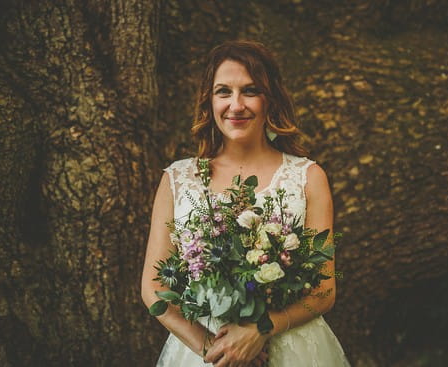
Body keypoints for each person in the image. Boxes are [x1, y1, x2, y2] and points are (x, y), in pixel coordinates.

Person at [141, 40, 350, 367]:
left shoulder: (307, 177)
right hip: (204, 353)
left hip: (292, 349)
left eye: (250, 91)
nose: (235, 105)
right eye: (223, 91)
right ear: (209, 101)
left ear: (271, 100)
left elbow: (324, 291)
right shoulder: (178, 179)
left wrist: (260, 330)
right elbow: (153, 290)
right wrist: (216, 349)